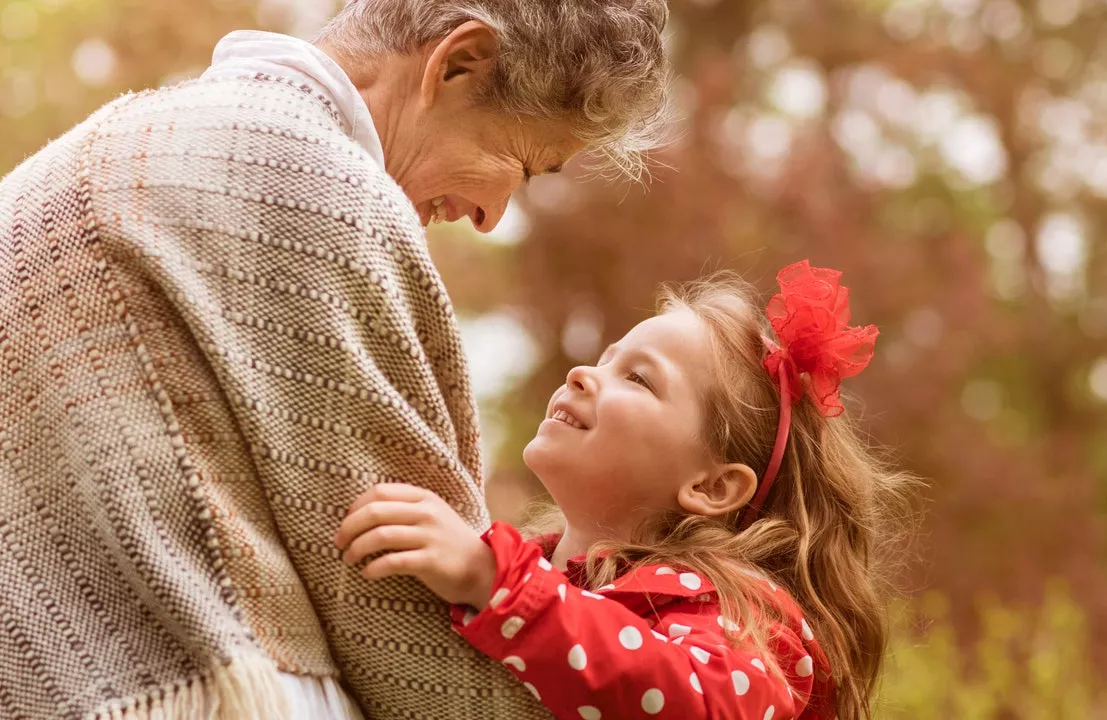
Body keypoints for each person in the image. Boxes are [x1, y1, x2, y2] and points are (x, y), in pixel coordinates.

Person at [0, 1, 668, 718]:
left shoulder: (96, 151)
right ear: (458, 63)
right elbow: (398, 615)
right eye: (524, 163)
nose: (491, 215)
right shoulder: (316, 188)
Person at [336, 262, 908, 719]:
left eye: (637, 377)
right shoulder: (525, 566)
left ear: (712, 486)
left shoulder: (742, 611)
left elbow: (695, 703)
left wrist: (496, 583)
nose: (582, 373)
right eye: (604, 359)